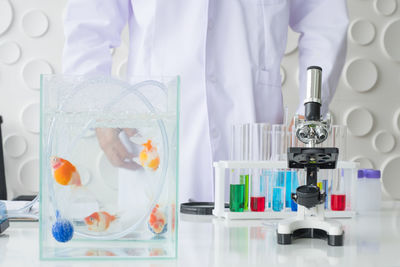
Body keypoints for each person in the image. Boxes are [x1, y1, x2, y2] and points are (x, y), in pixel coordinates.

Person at [63, 0, 349, 203]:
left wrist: (309, 114)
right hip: (155, 141)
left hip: (253, 142)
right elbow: (88, 25)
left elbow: (325, 20)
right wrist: (100, 109)